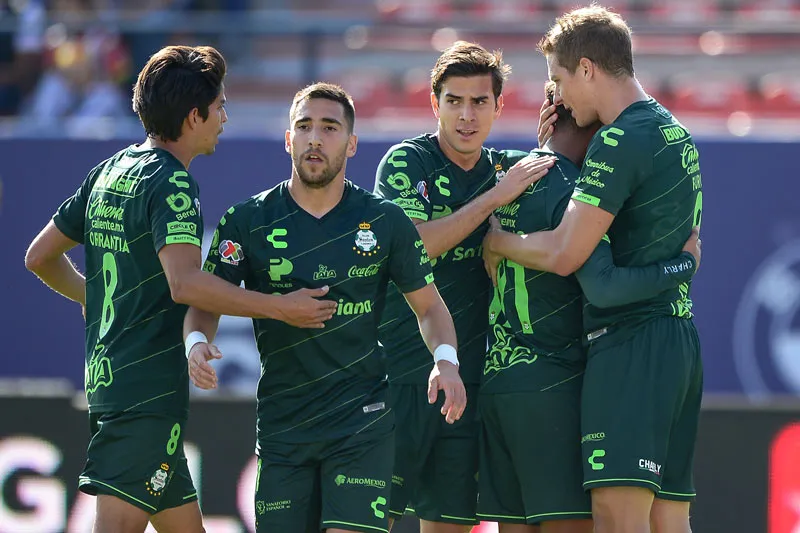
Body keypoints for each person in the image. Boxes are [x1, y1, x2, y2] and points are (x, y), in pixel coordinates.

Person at [24, 45, 336, 533]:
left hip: (116, 382)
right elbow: (185, 282)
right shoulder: (171, 184)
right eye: (220, 107)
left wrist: (94, 296)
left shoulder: (109, 171)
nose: (224, 117)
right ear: (194, 116)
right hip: (143, 396)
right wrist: (279, 307)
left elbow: (39, 256)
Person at [183, 82, 466, 533]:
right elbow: (206, 300)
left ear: (352, 143)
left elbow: (430, 307)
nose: (315, 138)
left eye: (330, 127)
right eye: (304, 126)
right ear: (288, 139)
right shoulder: (248, 220)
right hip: (283, 428)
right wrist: (197, 342)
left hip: (362, 423)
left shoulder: (385, 220)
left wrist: (445, 362)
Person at [482, 6, 704, 533]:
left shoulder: (619, 139)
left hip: (629, 345)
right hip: (677, 344)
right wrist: (682, 267)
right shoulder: (676, 133)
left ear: (587, 69)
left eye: (558, 79)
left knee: (614, 518)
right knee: (668, 521)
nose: (558, 96)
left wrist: (496, 240)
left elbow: (566, 254)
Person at [372, 40, 553, 532]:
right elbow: (413, 245)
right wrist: (497, 196)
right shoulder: (406, 162)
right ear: (435, 104)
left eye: (479, 102)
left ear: (499, 105)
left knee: (449, 525)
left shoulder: (509, 169)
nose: (466, 115)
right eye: (454, 101)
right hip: (397, 377)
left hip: (469, 381)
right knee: (367, 524)